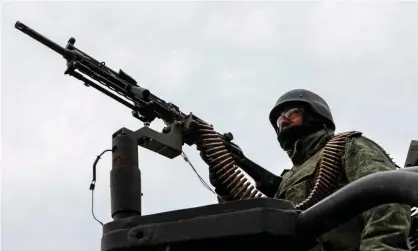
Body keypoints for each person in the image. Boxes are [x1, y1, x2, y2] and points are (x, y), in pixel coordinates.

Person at [209, 89, 411, 251]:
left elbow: (386, 200)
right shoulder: (287, 178)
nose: (284, 121)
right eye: (279, 120)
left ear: (316, 114)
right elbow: (254, 227)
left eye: (291, 113)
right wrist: (225, 187)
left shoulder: (347, 146)